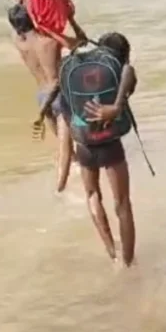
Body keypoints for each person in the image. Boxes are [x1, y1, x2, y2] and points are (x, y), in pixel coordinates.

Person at [56, 32, 138, 267]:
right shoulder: (116, 80)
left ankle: (112, 252)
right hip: (111, 144)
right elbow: (129, 73)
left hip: (84, 145)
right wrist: (116, 107)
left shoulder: (73, 76)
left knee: (93, 196)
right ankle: (128, 264)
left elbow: (67, 116)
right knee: (122, 203)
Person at [9, 0, 88, 191]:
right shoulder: (50, 40)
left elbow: (16, 20)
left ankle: (74, 183)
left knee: (66, 149)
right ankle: (60, 188)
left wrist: (24, 2)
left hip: (42, 97)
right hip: (59, 95)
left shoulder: (19, 43)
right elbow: (80, 42)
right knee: (66, 150)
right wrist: (70, 18)